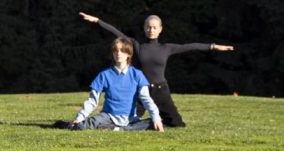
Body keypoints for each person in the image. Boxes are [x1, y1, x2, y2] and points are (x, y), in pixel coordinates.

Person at [79, 11, 235, 127]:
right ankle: (117, 127)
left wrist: (214, 46)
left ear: (160, 29)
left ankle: (155, 122)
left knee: (177, 124)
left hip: (161, 91)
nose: (151, 30)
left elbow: (191, 46)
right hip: (140, 92)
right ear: (144, 28)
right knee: (127, 123)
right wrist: (98, 21)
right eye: (148, 27)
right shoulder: (137, 46)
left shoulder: (166, 48)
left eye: (154, 27)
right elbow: (116, 32)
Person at [57, 38, 164, 132]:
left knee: (153, 123)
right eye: (115, 50)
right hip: (107, 116)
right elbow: (92, 101)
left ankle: (118, 129)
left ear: (129, 54)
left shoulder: (137, 75)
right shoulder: (104, 75)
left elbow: (146, 99)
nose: (118, 53)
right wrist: (80, 117)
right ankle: (75, 125)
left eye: (122, 51)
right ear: (112, 53)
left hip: (130, 118)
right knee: (82, 125)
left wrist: (156, 118)